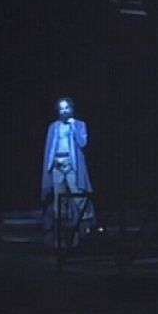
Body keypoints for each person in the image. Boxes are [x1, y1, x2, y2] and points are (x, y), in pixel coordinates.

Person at [41, 96, 93, 248]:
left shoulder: (79, 124)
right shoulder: (53, 127)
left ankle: (87, 232)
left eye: (67, 108)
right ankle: (61, 238)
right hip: (57, 166)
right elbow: (49, 148)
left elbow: (83, 143)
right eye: (61, 108)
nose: (64, 111)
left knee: (79, 197)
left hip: (72, 166)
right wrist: (49, 168)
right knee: (59, 201)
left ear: (72, 109)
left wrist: (73, 127)